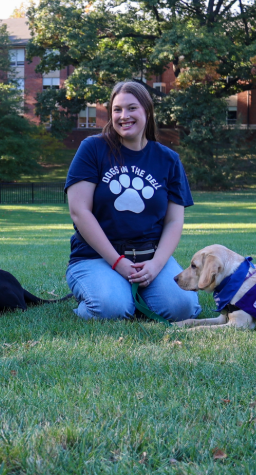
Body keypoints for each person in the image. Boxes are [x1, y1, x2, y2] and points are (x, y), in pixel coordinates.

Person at [64, 80, 200, 321]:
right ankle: (111, 293)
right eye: (117, 110)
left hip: (150, 256)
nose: (123, 116)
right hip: (96, 257)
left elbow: (174, 221)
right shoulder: (92, 149)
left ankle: (131, 295)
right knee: (110, 308)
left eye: (132, 108)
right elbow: (79, 212)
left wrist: (157, 265)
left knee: (183, 308)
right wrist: (117, 262)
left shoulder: (168, 160)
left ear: (147, 111)